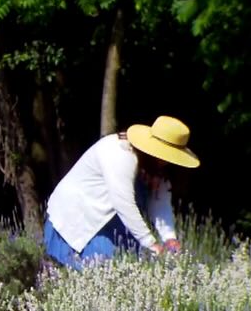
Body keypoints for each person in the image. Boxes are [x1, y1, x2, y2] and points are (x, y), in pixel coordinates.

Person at [43, 115, 200, 269]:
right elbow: (124, 204)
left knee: (132, 270)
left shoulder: (157, 166)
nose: (166, 161)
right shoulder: (120, 154)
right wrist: (152, 245)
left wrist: (169, 238)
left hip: (115, 222)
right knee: (106, 271)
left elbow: (159, 200)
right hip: (80, 220)